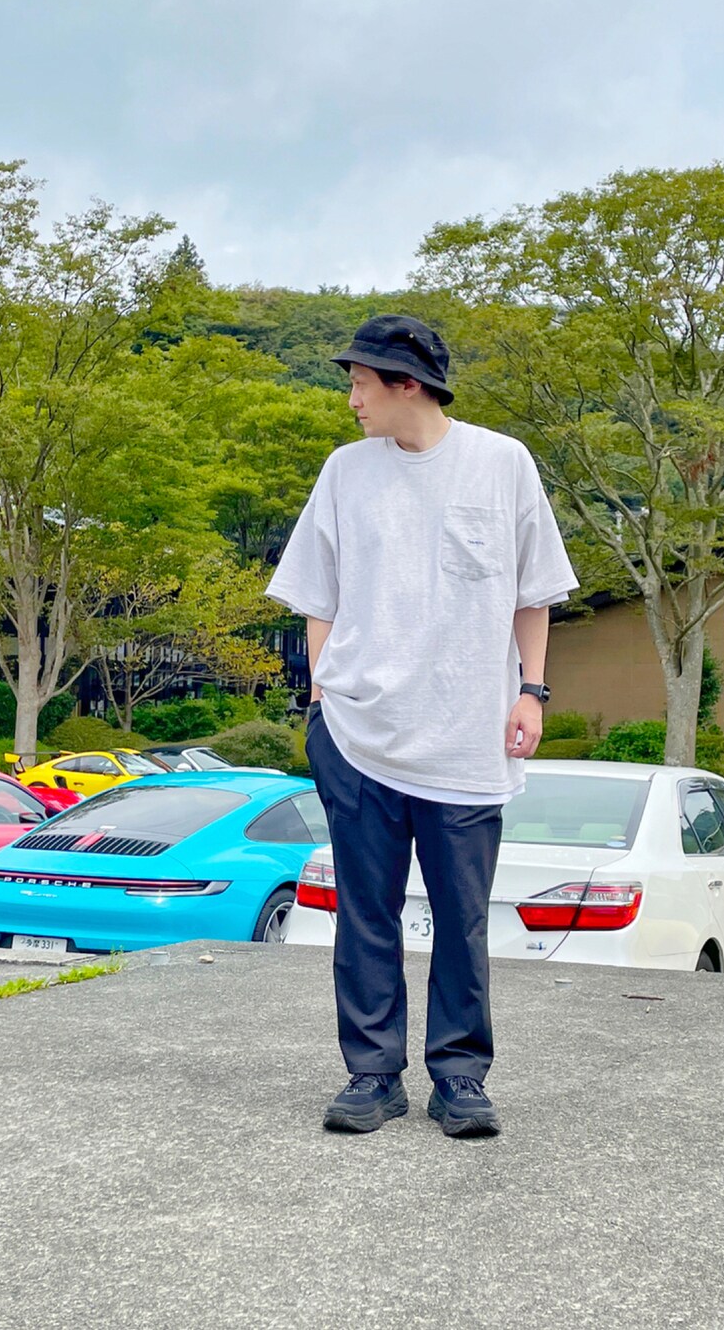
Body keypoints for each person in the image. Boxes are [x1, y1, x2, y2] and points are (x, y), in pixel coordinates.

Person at [265, 314, 578, 1139]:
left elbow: (533, 591)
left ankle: (460, 1077)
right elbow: (317, 594)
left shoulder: (501, 463)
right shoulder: (346, 471)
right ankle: (372, 1074)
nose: (351, 400)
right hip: (359, 735)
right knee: (366, 913)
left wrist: (532, 691)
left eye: (360, 383)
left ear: (407, 384)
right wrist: (324, 697)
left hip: (468, 737)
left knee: (461, 918)